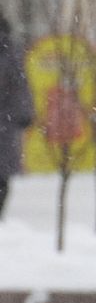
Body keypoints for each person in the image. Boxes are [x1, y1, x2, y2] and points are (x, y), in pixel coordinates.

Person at [0, 12, 33, 219]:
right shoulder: (10, 49)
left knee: (2, 177)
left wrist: (23, 114)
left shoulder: (9, 50)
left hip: (4, 121)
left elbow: (20, 84)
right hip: (5, 121)